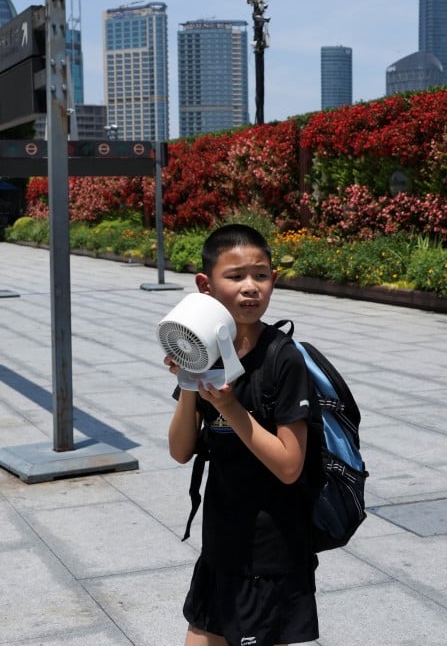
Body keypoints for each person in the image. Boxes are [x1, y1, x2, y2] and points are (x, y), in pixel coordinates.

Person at [166, 224, 319, 646]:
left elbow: (290, 466)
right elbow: (181, 450)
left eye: (261, 275)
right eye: (235, 277)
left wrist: (229, 406)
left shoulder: (283, 358)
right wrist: (188, 380)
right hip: (221, 544)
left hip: (271, 552)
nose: (251, 288)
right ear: (205, 285)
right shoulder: (204, 349)